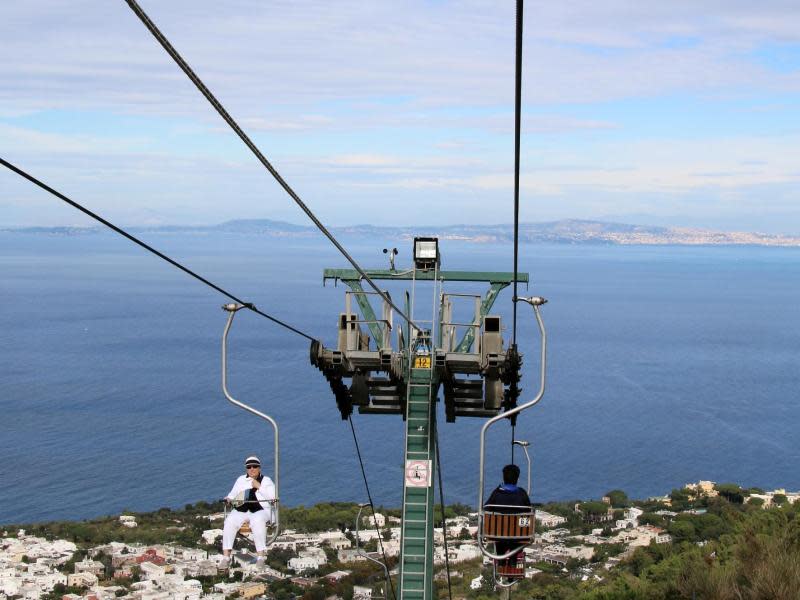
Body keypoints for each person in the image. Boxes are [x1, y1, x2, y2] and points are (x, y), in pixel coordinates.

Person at [221, 455, 275, 567]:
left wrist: (259, 486)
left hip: (261, 508)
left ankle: (260, 556)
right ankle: (226, 557)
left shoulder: (266, 480)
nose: (252, 469)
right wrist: (228, 499)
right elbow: (232, 494)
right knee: (229, 521)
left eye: (254, 466)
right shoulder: (241, 479)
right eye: (249, 467)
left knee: (257, 520)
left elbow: (273, 497)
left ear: (259, 467)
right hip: (243, 508)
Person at [484, 464, 531, 571]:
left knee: (500, 533)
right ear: (517, 478)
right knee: (515, 534)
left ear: (503, 477)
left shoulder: (497, 494)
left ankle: (501, 559)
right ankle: (513, 559)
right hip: (518, 536)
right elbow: (528, 511)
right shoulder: (522, 494)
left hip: (498, 535)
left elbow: (487, 508)